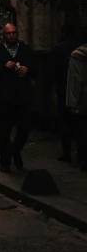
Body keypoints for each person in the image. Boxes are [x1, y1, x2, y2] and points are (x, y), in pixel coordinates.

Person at [0, 22, 37, 172]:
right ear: (4, 36)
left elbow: (36, 70)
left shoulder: (25, 50)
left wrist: (28, 69)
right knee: (4, 131)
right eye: (8, 33)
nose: (12, 35)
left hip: (23, 97)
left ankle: (15, 150)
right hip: (5, 97)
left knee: (24, 128)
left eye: (14, 32)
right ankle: (5, 162)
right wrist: (4, 67)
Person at [44, 26, 84, 162]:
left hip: (64, 89)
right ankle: (81, 154)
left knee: (65, 122)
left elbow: (51, 72)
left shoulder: (60, 50)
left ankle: (67, 153)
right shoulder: (80, 47)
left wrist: (47, 88)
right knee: (80, 124)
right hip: (81, 92)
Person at [66, 40, 87, 170]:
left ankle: (84, 159)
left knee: (82, 130)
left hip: (83, 101)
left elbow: (75, 81)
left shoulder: (78, 55)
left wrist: (72, 103)